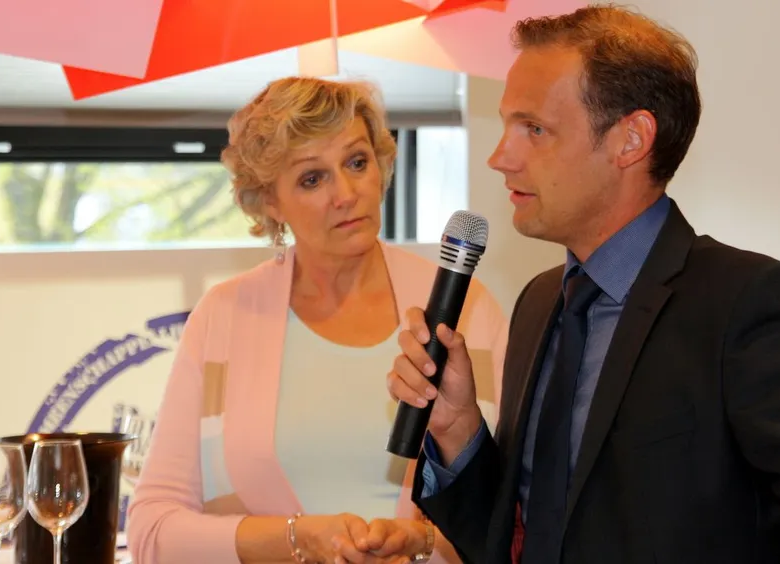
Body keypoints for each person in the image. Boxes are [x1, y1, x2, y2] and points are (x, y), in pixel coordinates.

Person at [387, 5, 780, 564]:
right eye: (506, 126)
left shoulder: (746, 303)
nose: (500, 158)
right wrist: (458, 430)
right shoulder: (539, 302)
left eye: (534, 129)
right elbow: (515, 540)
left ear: (631, 140)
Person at [128, 76, 508, 564]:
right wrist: (297, 539)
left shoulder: (466, 308)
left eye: (356, 162)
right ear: (269, 200)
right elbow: (153, 531)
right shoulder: (223, 315)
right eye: (312, 178)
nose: (346, 193)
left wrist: (423, 543)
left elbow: (517, 516)